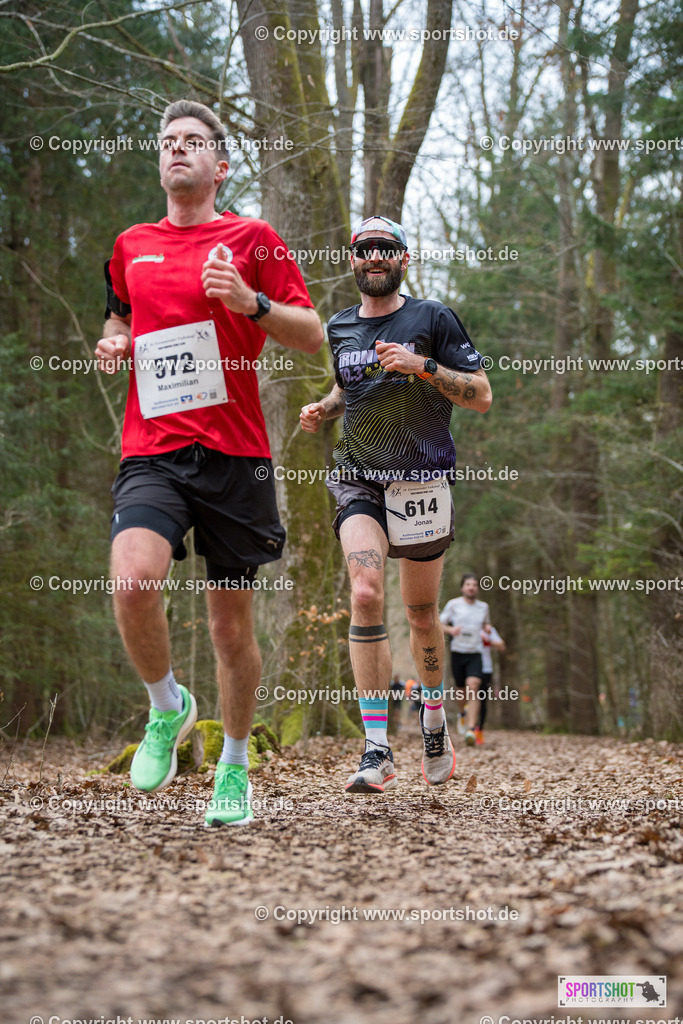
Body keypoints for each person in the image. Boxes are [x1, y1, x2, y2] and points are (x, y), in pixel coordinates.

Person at [95, 100, 323, 827]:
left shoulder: (253, 239)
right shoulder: (131, 244)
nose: (177, 150)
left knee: (229, 631)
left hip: (235, 455)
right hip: (153, 449)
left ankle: (233, 766)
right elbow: (119, 311)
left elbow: (312, 334)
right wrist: (115, 339)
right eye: (168, 141)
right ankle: (167, 706)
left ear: (219, 166)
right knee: (133, 579)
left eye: (192, 141)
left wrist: (252, 303)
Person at [300, 215, 492, 792]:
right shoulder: (339, 326)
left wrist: (423, 366)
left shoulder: (432, 317)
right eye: (364, 249)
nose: (374, 257)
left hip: (422, 483)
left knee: (421, 612)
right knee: (364, 592)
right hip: (358, 478)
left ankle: (433, 718)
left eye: (386, 248)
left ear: (403, 258)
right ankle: (377, 748)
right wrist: (324, 408)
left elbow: (481, 395)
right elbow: (348, 386)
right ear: (352, 259)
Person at [440, 574, 491, 746]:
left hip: (475, 653)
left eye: (474, 584)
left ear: (478, 588)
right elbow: (439, 624)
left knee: (473, 686)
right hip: (458, 652)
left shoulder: (483, 607)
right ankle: (462, 713)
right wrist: (451, 630)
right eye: (468, 584)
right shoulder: (453, 604)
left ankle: (471, 729)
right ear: (462, 587)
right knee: (461, 691)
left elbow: (485, 624)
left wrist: (487, 628)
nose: (471, 587)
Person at [477, 624, 505, 744]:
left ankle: (479, 730)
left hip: (486, 669)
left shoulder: (488, 629)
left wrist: (488, 639)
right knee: (468, 696)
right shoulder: (465, 625)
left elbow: (501, 646)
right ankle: (468, 723)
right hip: (468, 667)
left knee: (482, 700)